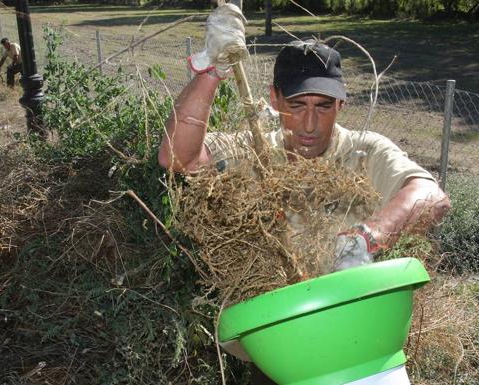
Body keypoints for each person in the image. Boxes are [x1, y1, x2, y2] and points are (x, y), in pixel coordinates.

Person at [158, 4, 450, 385]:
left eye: (323, 107)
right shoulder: (254, 150)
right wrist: (212, 70)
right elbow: (178, 158)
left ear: (341, 103)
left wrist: (367, 238)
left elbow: (431, 195)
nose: (310, 124)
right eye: (296, 106)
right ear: (274, 98)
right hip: (281, 351)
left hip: (361, 345)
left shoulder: (365, 151)